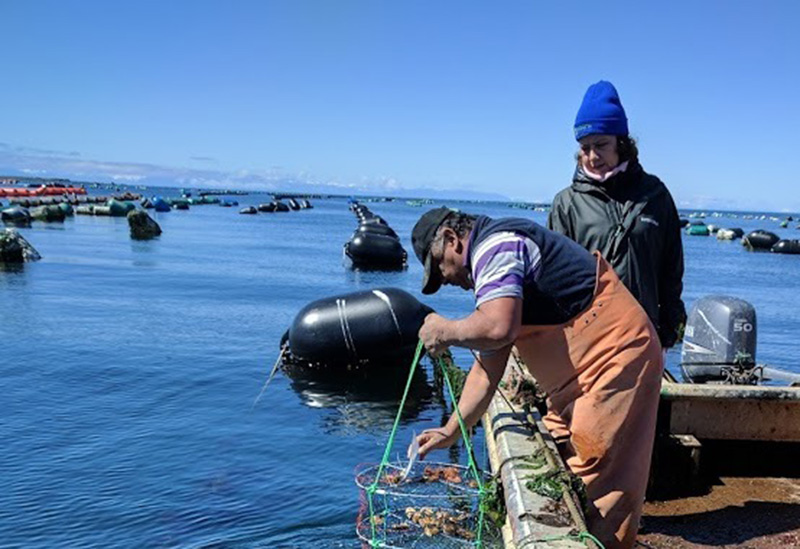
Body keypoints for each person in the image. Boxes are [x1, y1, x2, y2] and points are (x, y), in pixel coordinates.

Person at [411, 207, 662, 549]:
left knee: (598, 479)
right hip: (575, 378)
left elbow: (499, 327)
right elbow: (488, 366)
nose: (446, 281)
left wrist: (447, 330)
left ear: (453, 240)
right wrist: (451, 430)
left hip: (616, 358)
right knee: (560, 459)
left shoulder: (496, 247)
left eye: (440, 269)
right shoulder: (493, 271)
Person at [548, 80, 686, 351]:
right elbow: (553, 279)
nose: (592, 156)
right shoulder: (566, 204)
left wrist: (671, 324)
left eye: (601, 144)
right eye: (584, 147)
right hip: (590, 340)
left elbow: (672, 267)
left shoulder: (655, 195)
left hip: (644, 335)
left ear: (621, 143)